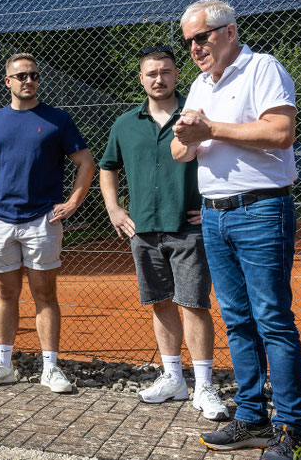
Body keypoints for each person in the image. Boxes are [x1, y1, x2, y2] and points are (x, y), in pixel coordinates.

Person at [171, 0, 301, 460]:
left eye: (201, 37)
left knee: (272, 319)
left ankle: (292, 432)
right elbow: (177, 148)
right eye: (188, 40)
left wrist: (210, 129)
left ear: (229, 32)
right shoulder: (198, 84)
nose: (194, 48)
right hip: (214, 215)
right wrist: (189, 136)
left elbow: (280, 132)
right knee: (236, 319)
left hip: (261, 209)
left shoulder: (262, 68)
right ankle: (251, 418)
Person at [98, 47, 229, 421]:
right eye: (151, 73)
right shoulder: (125, 124)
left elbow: (224, 160)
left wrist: (211, 206)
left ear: (176, 75)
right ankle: (173, 377)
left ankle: (204, 384)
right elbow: (108, 167)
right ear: (141, 79)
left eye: (166, 72)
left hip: (189, 229)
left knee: (194, 304)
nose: (159, 79)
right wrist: (114, 208)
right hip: (143, 231)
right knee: (160, 302)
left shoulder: (196, 117)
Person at [0, 53, 95, 394]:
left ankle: (50, 367)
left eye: (33, 75)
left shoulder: (57, 120)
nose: (28, 80)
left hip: (42, 221)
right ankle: (3, 365)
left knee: (44, 294)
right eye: (21, 76)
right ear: (8, 81)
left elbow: (86, 162)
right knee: (6, 292)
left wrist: (74, 202)